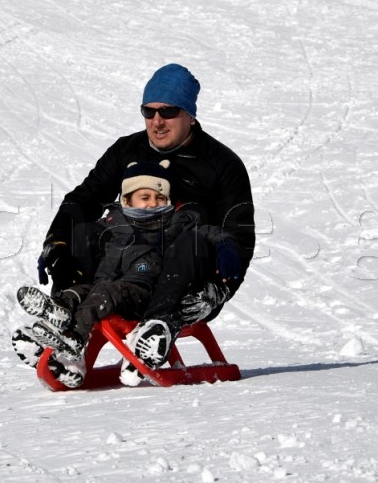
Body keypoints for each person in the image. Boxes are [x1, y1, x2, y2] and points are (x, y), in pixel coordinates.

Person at [37, 63, 255, 371]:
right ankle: (64, 328)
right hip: (126, 273)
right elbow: (82, 200)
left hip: (185, 283)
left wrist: (219, 290)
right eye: (148, 112)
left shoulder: (222, 165)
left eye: (168, 112)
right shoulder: (128, 149)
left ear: (190, 115)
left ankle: (158, 326)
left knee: (193, 240)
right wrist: (56, 244)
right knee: (85, 233)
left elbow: (240, 236)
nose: (157, 122)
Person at [14, 160, 237, 388]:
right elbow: (79, 235)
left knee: (104, 292)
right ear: (127, 200)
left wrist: (226, 246)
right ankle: (58, 313)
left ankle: (74, 338)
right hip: (108, 289)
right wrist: (57, 250)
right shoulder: (111, 223)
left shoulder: (173, 222)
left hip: (141, 293)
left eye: (160, 198)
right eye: (145, 197)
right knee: (82, 290)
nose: (153, 204)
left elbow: (210, 232)